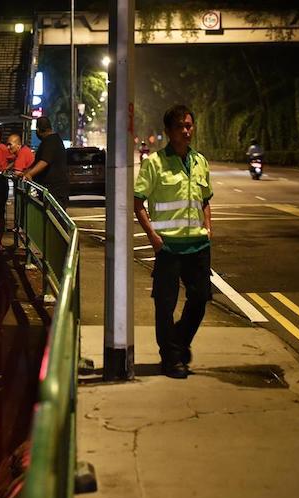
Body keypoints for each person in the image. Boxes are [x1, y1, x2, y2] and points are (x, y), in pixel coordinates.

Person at [134, 104, 213, 379]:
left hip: (198, 246)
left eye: (189, 125)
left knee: (201, 299)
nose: (186, 131)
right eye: (180, 126)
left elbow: (204, 200)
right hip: (168, 247)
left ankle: (178, 343)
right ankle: (170, 359)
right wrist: (153, 236)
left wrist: (209, 229)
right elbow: (138, 202)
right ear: (169, 131)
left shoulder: (200, 161)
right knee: (165, 305)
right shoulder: (154, 163)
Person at [22, 117, 70, 208]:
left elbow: (44, 161)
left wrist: (30, 174)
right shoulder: (50, 141)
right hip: (49, 188)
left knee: (54, 218)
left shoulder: (51, 141)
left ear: (38, 130)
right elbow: (37, 163)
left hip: (54, 190)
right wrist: (25, 172)